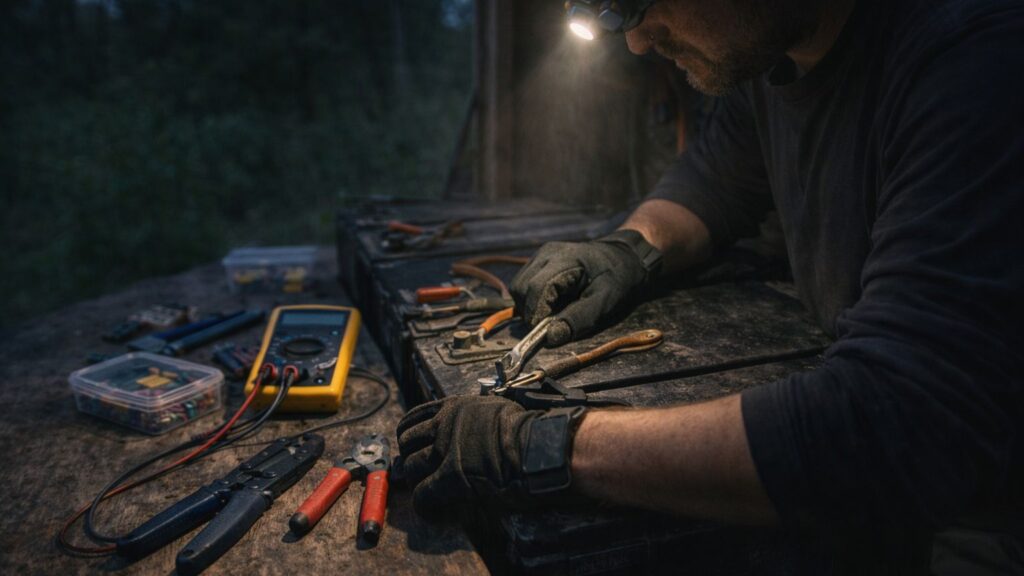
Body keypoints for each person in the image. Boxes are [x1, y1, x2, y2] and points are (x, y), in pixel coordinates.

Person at [396, 0, 1023, 572]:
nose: (637, 42)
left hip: (979, 521)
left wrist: (545, 444)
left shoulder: (976, 59)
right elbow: (716, 178)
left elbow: (884, 426)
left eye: (637, 3)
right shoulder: (777, 52)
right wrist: (629, 249)